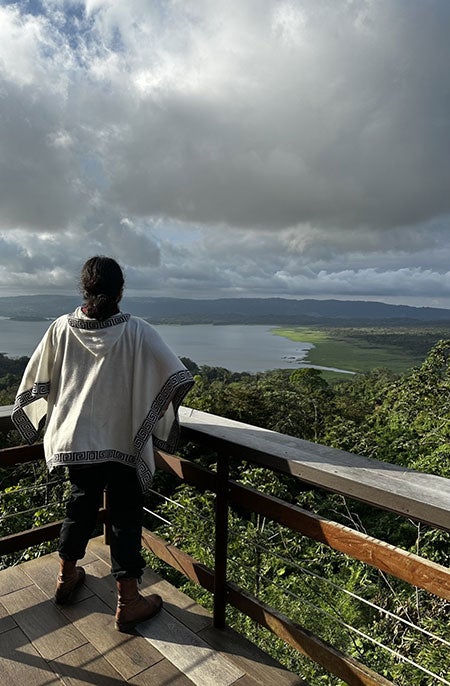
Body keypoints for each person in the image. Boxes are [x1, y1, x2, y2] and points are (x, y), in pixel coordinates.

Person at [12, 256, 194, 632]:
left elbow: (34, 383)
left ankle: (65, 579)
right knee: (126, 517)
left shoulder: (62, 328)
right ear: (120, 290)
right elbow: (176, 377)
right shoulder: (138, 330)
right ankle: (128, 601)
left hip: (77, 440)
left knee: (79, 507)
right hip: (124, 441)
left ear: (85, 288)